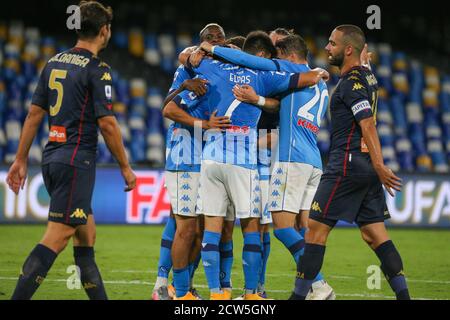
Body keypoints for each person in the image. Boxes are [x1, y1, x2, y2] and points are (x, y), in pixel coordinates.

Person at [182, 30, 329, 300]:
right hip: (243, 162)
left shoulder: (213, 66)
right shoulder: (264, 76)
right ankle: (252, 294)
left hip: (211, 158)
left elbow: (187, 59)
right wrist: (319, 73)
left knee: (212, 230)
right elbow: (304, 76)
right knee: (253, 228)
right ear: (261, 55)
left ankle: (217, 295)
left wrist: (201, 49)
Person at [6, 0, 136, 300]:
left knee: (86, 235)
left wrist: (21, 159)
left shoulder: (53, 62)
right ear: (104, 31)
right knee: (57, 238)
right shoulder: (98, 69)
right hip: (77, 161)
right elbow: (108, 124)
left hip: (53, 158)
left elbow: (34, 115)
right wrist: (126, 167)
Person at [290, 25, 409, 300]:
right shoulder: (366, 78)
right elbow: (367, 79)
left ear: (347, 50)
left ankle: (296, 298)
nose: (327, 48)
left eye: (332, 44)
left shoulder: (351, 84)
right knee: (375, 236)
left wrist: (381, 166)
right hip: (364, 169)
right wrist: (375, 167)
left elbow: (367, 123)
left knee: (315, 233)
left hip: (346, 166)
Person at [152, 23, 225, 301]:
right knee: (186, 226)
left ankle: (178, 286)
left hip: (207, 159)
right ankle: (171, 289)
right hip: (185, 156)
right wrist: (204, 124)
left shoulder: (221, 71)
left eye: (219, 37)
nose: (215, 41)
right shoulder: (188, 69)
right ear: (200, 45)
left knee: (198, 229)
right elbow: (169, 108)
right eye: (209, 38)